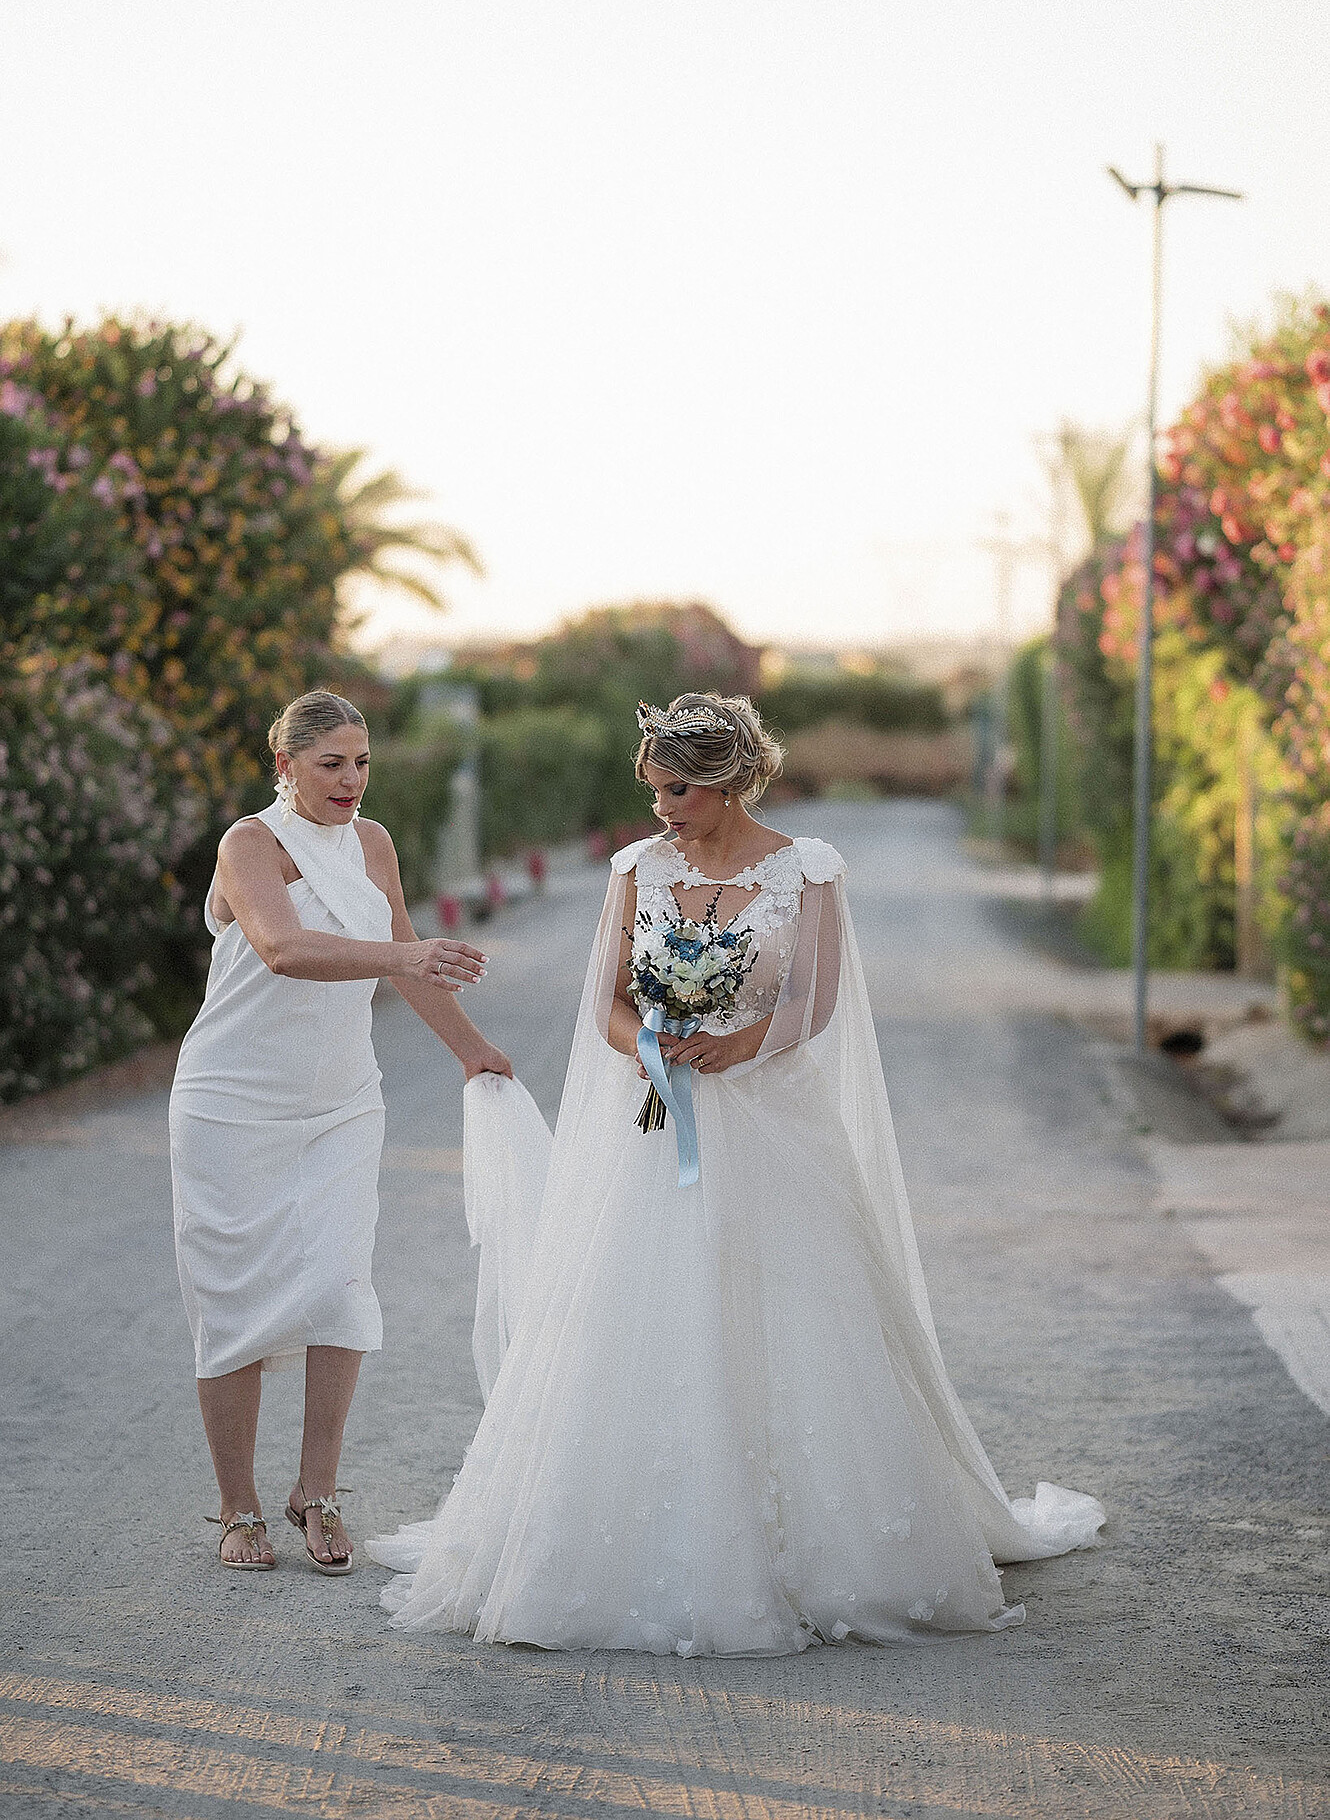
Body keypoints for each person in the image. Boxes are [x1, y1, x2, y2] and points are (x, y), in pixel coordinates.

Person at [367, 693, 1103, 1653]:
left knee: (797, 1313)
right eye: (655, 790)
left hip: (770, 1126)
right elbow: (608, 1005)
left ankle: (822, 1549)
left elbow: (813, 1000)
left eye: (678, 790)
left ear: (728, 782)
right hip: (652, 1127)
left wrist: (739, 1043)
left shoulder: (808, 872)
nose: (662, 808)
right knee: (636, 1316)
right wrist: (653, 1046)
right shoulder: (636, 870)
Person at [169, 690, 511, 1574]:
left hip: (343, 1103)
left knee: (340, 1287)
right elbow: (285, 950)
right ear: (286, 766)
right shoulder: (250, 844)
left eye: (362, 762)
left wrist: (475, 1051)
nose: (351, 780)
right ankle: (237, 1505)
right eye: (332, 763)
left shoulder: (372, 844)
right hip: (230, 1103)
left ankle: (316, 1492)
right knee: (234, 1303)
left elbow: (407, 955)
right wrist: (405, 954)